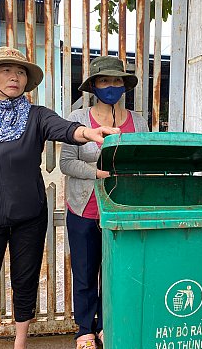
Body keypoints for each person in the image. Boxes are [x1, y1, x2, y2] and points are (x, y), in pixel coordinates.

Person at [0, 46, 120, 349]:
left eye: (20, 72)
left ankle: (19, 344)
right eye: (6, 70)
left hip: (29, 219)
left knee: (25, 286)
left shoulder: (36, 116)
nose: (14, 77)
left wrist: (89, 132)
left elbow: (66, 129)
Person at [59, 55, 148, 349]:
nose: (111, 86)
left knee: (118, 271)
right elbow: (66, 163)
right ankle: (85, 328)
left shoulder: (138, 121)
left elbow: (146, 160)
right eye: (105, 81)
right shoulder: (77, 120)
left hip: (124, 209)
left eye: (117, 80)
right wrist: (98, 173)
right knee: (85, 271)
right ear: (93, 86)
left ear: (125, 85)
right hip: (85, 209)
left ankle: (109, 324)